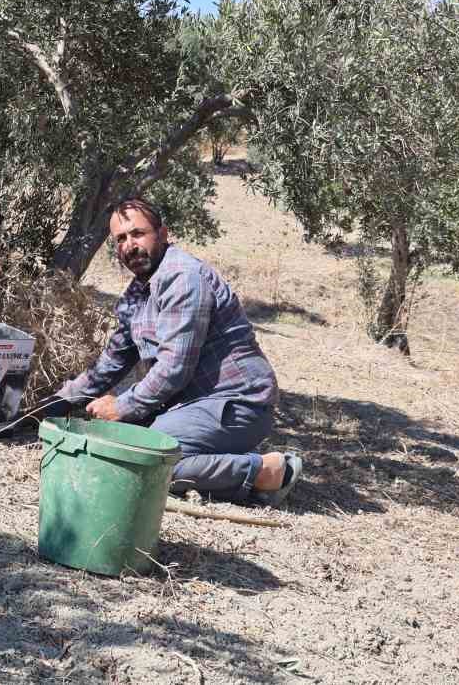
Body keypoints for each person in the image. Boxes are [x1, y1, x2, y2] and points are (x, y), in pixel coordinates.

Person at [52, 198, 302, 506]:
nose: (130, 245)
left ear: (163, 233)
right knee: (112, 447)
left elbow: (174, 368)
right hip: (191, 406)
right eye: (120, 239)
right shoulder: (138, 291)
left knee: (149, 462)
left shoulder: (183, 278)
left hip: (237, 405)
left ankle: (267, 470)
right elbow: (113, 360)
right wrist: (57, 403)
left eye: (138, 234)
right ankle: (216, 458)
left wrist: (123, 406)